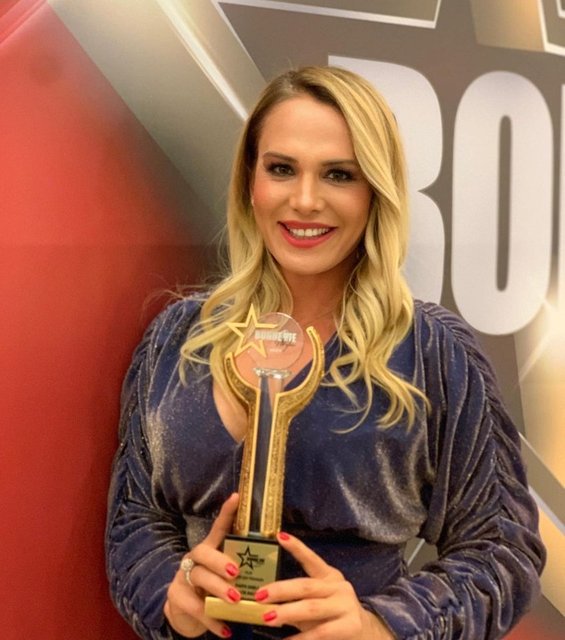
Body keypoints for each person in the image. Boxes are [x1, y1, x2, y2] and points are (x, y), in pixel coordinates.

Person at [105, 66, 545, 640]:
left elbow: (502, 546)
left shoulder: (430, 352)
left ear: (375, 192)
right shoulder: (179, 338)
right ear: (250, 181)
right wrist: (172, 591)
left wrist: (378, 625)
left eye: (339, 174)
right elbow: (134, 516)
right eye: (281, 169)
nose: (305, 200)